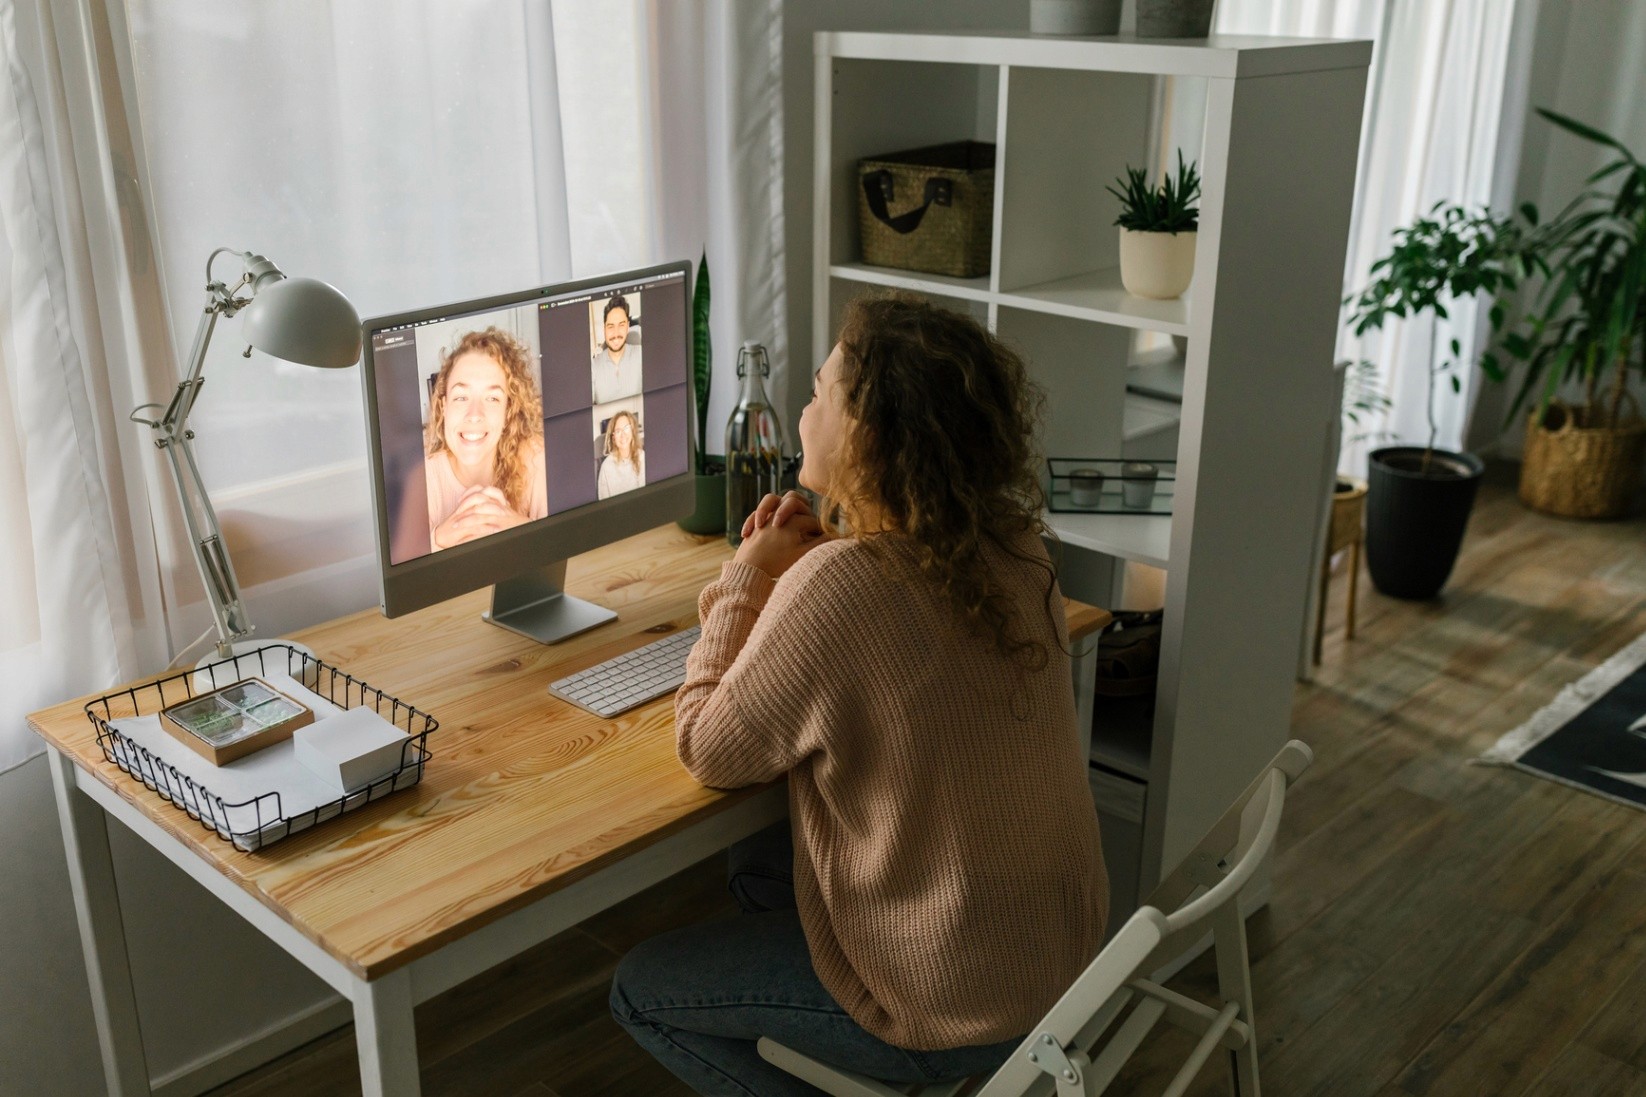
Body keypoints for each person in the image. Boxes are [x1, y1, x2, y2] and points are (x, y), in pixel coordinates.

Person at [609, 293, 1109, 1096]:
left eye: (816, 393)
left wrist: (746, 578)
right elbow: (903, 640)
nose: (803, 412)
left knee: (639, 989)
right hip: (1064, 966)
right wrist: (807, 568)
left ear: (866, 435)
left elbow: (707, 746)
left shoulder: (840, 585)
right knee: (759, 863)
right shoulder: (1020, 548)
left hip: (947, 1005)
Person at [424, 327, 548, 550]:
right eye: (461, 397)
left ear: (507, 411)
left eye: (492, 398)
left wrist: (520, 529)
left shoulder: (535, 457)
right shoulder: (422, 476)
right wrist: (440, 539)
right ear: (444, 408)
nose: (474, 414)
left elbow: (566, 548)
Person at [590, 294, 643, 405]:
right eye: (610, 326)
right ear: (604, 328)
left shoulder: (641, 355)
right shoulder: (593, 366)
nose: (616, 333)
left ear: (628, 326)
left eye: (621, 325)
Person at [596, 409, 646, 499]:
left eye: (626, 428)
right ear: (614, 438)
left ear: (633, 431)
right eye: (618, 431)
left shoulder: (642, 458)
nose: (623, 435)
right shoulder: (606, 467)